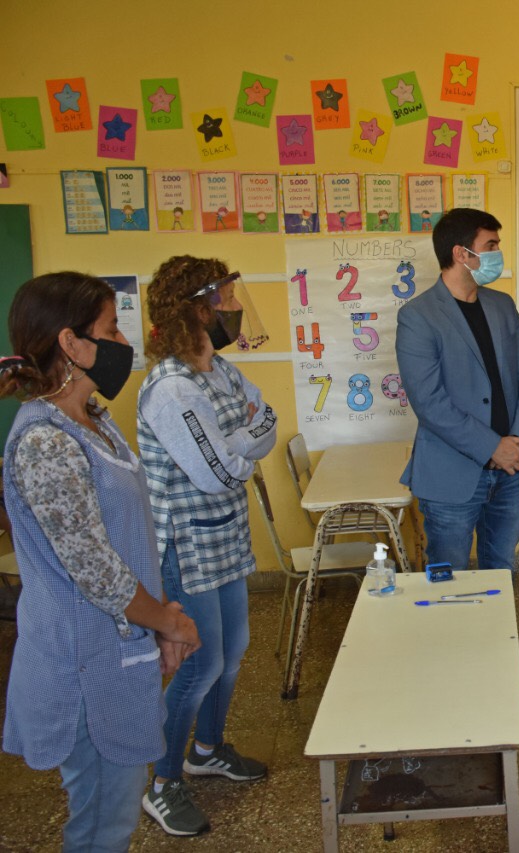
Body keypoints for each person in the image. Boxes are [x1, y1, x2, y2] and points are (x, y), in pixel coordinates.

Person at [0, 272, 200, 851]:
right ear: (70, 342)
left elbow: (126, 537)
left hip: (121, 648)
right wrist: (169, 623)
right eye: (110, 328)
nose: (121, 341)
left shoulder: (96, 423)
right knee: (99, 827)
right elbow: (96, 572)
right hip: (82, 664)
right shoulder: (45, 442)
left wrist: (159, 616)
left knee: (115, 818)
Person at [136, 255, 277, 836]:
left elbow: (267, 420)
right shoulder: (171, 388)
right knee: (201, 663)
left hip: (223, 533)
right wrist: (241, 445)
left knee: (235, 647)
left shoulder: (217, 368)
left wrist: (237, 443)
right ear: (195, 309)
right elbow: (216, 473)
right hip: (185, 542)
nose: (235, 307)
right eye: (224, 298)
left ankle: (208, 748)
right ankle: (164, 782)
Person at [395, 207, 519, 698]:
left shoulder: (502, 306)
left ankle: (502, 658)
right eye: (492, 245)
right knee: (450, 577)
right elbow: (430, 404)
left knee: (500, 569)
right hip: (452, 475)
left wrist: (516, 443)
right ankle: (449, 668)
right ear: (462, 254)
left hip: (510, 469)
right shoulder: (417, 317)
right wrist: (492, 448)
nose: (498, 254)